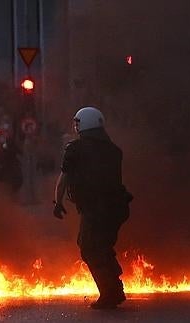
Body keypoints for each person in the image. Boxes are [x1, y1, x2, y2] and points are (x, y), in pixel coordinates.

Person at [53, 107, 132, 309]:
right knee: (102, 246)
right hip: (117, 208)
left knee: (89, 248)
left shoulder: (75, 149)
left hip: (95, 208)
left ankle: (109, 293)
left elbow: (64, 179)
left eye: (77, 123)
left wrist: (58, 202)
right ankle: (115, 287)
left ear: (83, 124)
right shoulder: (114, 150)